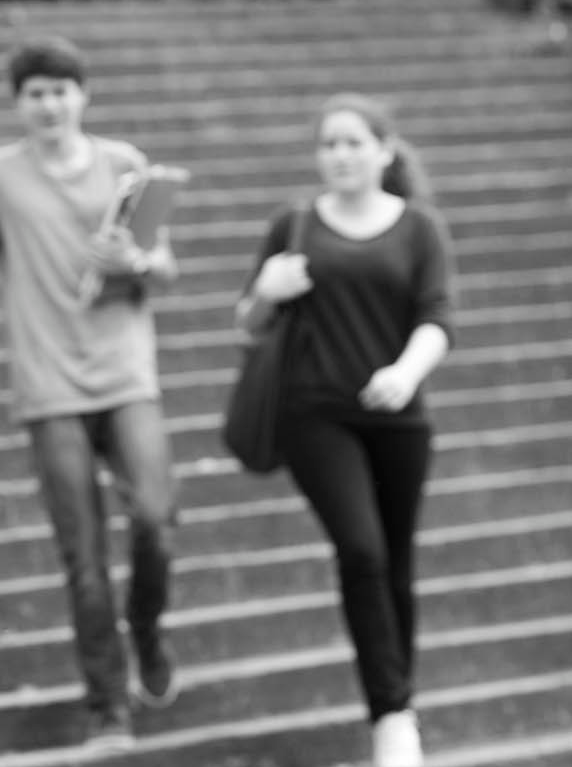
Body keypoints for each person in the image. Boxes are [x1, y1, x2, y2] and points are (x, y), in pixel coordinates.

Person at [0, 36, 180, 748]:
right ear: (19, 103)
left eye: (60, 90)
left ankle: (147, 628)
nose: (49, 105)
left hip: (126, 374)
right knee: (84, 557)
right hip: (49, 386)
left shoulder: (125, 165)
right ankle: (109, 705)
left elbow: (164, 267)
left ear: (83, 95)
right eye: (35, 93)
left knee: (156, 520)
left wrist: (135, 259)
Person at [234, 93, 456, 767]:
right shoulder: (294, 224)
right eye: (329, 143)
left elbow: (437, 317)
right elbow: (247, 324)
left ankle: (398, 704)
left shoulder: (419, 227)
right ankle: (391, 715)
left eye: (354, 142)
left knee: (395, 563)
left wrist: (407, 371)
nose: (340, 154)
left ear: (385, 150)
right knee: (361, 551)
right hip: (315, 414)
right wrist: (267, 291)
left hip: (399, 416)